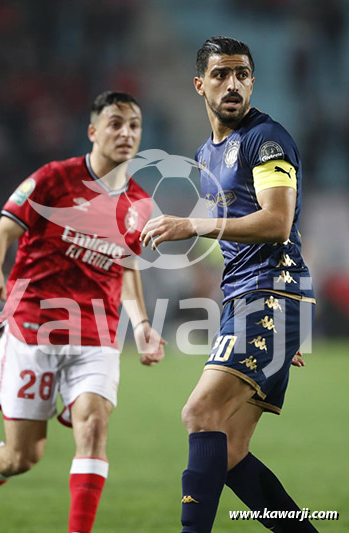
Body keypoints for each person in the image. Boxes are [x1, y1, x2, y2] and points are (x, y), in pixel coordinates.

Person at [0, 90, 165, 533]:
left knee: (94, 427)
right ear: (93, 131)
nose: (126, 133)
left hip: (96, 334)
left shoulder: (140, 204)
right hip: (34, 328)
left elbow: (126, 268)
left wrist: (141, 324)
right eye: (116, 123)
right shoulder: (53, 179)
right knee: (22, 456)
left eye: (134, 125)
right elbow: (0, 235)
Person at [141, 37, 318, 532]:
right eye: (221, 74)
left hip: (271, 293)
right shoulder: (207, 153)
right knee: (231, 450)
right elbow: (240, 238)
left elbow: (277, 222)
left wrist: (192, 225)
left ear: (253, 82)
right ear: (200, 85)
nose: (233, 84)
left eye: (242, 74)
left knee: (200, 413)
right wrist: (282, 329)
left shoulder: (267, 139)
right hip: (256, 301)